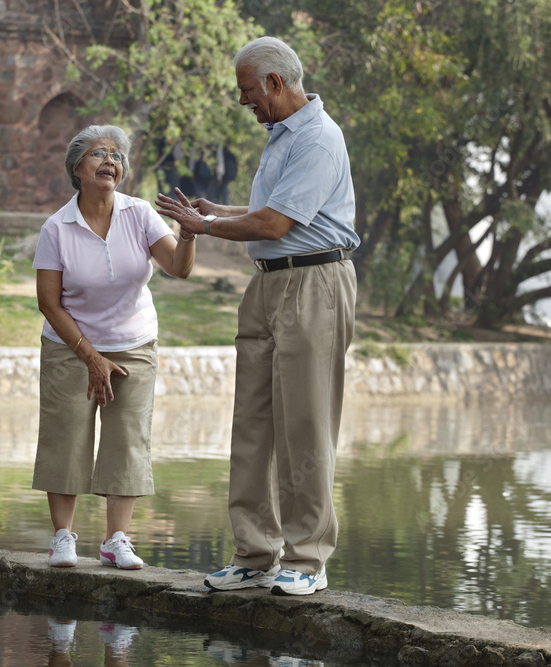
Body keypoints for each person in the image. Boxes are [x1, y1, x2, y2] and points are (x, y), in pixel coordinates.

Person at [155, 36, 359, 595]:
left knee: (305, 425)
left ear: (274, 82)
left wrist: (205, 229)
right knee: (253, 424)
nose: (243, 100)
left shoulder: (318, 137)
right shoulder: (281, 137)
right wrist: (218, 212)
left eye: (247, 89)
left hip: (315, 282)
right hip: (269, 284)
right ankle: (254, 553)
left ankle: (307, 561)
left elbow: (276, 226)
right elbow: (273, 213)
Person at [33, 125, 196, 570]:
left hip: (133, 342)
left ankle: (115, 540)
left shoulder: (140, 214)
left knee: (128, 439)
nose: (110, 160)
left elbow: (178, 269)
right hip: (71, 345)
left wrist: (188, 233)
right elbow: (48, 302)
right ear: (77, 169)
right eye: (99, 153)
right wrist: (90, 355)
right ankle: (63, 538)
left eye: (117, 155)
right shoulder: (56, 228)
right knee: (66, 435)